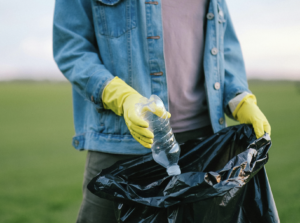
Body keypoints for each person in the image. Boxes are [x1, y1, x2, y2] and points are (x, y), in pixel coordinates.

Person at [53, 0, 271, 222]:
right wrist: (121, 97)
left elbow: (222, 45)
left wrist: (239, 99)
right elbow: (71, 46)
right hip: (119, 144)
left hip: (204, 145)